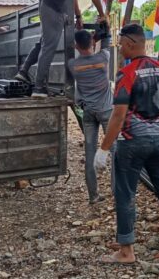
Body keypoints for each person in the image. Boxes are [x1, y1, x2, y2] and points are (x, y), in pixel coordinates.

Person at [94, 24, 159, 264]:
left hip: (132, 144)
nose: (120, 49)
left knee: (125, 195)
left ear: (129, 44)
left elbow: (118, 115)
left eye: (121, 44)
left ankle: (126, 252)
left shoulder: (127, 74)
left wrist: (103, 148)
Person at [68, 29, 114, 204]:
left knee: (90, 153)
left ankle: (93, 195)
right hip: (106, 111)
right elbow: (107, 40)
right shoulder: (103, 58)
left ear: (76, 46)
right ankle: (116, 192)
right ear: (92, 42)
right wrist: (103, 23)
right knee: (115, 150)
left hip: (88, 112)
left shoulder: (73, 65)